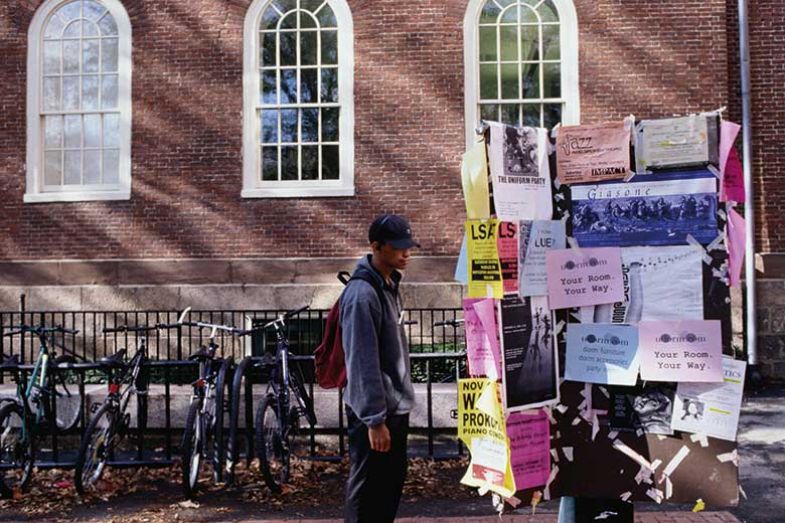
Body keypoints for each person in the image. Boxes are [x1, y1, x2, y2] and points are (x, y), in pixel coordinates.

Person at [340, 214, 418, 523]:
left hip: (393, 408)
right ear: (376, 246)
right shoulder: (363, 294)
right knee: (367, 493)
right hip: (375, 414)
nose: (406, 253)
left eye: (408, 246)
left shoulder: (387, 284)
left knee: (386, 492)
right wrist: (374, 420)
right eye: (398, 247)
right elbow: (362, 361)